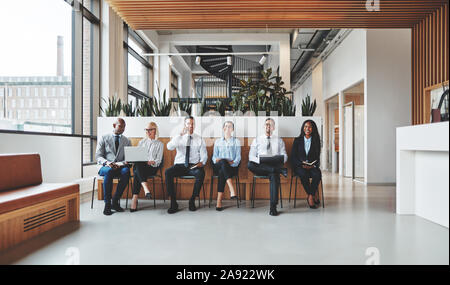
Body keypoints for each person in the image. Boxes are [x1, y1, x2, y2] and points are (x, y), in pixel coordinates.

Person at [165, 116, 208, 214]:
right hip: (180, 165)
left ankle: (192, 200)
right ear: (185, 125)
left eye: (192, 124)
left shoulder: (199, 139)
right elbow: (169, 147)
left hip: (193, 166)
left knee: (201, 173)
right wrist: (180, 135)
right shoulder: (179, 137)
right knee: (168, 172)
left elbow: (204, 155)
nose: (191, 126)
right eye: (188, 123)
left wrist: (202, 162)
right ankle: (173, 203)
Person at [248, 118, 288, 216]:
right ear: (264, 126)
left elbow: (285, 156)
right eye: (266, 124)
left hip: (273, 165)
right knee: (249, 164)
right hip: (260, 167)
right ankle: (279, 170)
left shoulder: (279, 140)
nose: (268, 126)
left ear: (273, 127)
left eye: (270, 125)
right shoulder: (257, 139)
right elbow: (251, 156)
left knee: (274, 176)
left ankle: (273, 207)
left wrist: (278, 159)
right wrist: (260, 160)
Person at [95, 118, 132, 216]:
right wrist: (107, 163)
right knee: (109, 171)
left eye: (124, 127)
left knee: (126, 172)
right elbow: (98, 156)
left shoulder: (127, 141)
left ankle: (115, 201)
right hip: (105, 166)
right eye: (120, 126)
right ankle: (107, 204)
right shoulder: (104, 138)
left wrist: (124, 163)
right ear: (114, 125)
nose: (123, 128)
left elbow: (128, 158)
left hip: (120, 166)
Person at [130, 122, 164, 212]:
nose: (148, 132)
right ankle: (146, 189)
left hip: (151, 168)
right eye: (146, 130)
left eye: (150, 130)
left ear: (155, 130)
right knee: (139, 164)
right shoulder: (141, 142)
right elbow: (137, 156)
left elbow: (159, 160)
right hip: (141, 166)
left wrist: (152, 162)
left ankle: (134, 199)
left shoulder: (159, 144)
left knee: (137, 171)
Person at [291, 120, 322, 209]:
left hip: (312, 166)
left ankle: (310, 195)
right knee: (303, 174)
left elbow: (317, 156)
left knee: (317, 174)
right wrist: (301, 164)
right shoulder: (297, 140)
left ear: (313, 129)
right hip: (300, 166)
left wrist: (313, 165)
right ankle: (312, 195)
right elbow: (293, 156)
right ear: (303, 128)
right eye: (305, 126)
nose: (307, 128)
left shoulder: (316, 141)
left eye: (309, 127)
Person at [211, 121, 241, 211]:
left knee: (222, 171)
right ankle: (231, 189)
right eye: (226, 126)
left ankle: (219, 201)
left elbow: (238, 157)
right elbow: (214, 157)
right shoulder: (217, 141)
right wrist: (219, 160)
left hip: (231, 167)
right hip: (218, 165)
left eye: (230, 127)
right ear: (223, 128)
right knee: (223, 162)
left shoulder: (236, 141)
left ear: (233, 130)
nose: (228, 128)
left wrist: (231, 163)